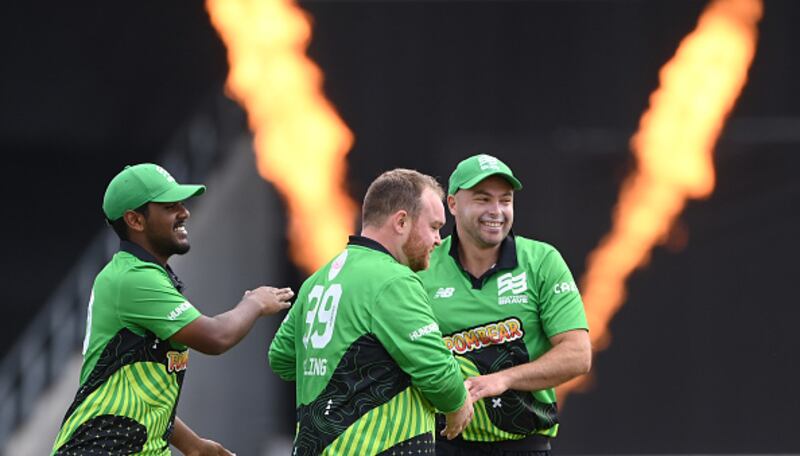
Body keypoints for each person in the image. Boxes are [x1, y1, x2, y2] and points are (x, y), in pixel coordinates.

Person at [51, 163, 294, 456]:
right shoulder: (133, 278)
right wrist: (254, 302)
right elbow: (216, 337)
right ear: (135, 220)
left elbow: (141, 393)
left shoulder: (145, 275)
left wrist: (193, 445)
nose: (184, 212)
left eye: (181, 203)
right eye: (169, 206)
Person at [269, 169, 474, 455]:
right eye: (434, 227)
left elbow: (281, 358)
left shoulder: (319, 278)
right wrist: (458, 402)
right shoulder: (394, 281)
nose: (439, 239)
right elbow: (438, 373)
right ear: (401, 221)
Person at [417, 154, 591, 455]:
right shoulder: (423, 265)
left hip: (523, 444)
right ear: (453, 205)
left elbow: (578, 354)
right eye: (483, 200)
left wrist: (504, 379)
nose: (496, 211)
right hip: (442, 442)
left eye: (505, 200)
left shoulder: (542, 261)